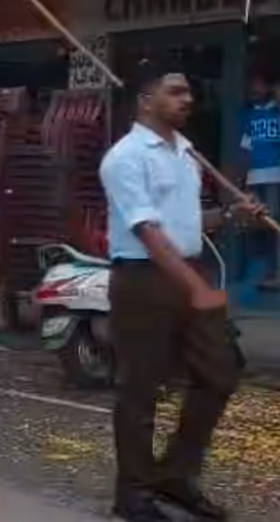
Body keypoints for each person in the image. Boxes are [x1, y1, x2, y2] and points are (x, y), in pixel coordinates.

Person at [99, 61, 257, 522]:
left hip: (185, 270)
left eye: (188, 91)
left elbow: (183, 224)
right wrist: (196, 287)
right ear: (146, 101)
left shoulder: (186, 153)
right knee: (140, 390)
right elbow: (148, 232)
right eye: (175, 91)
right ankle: (132, 495)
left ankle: (175, 475)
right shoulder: (125, 157)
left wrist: (231, 216)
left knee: (220, 375)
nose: (187, 99)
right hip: (144, 280)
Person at [238, 72, 280, 291]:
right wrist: (242, 182)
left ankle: (274, 273)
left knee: (274, 225)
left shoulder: (277, 112)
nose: (254, 91)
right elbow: (245, 150)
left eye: (259, 86)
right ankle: (263, 272)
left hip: (276, 177)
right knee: (257, 225)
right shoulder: (249, 116)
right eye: (251, 87)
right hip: (254, 178)